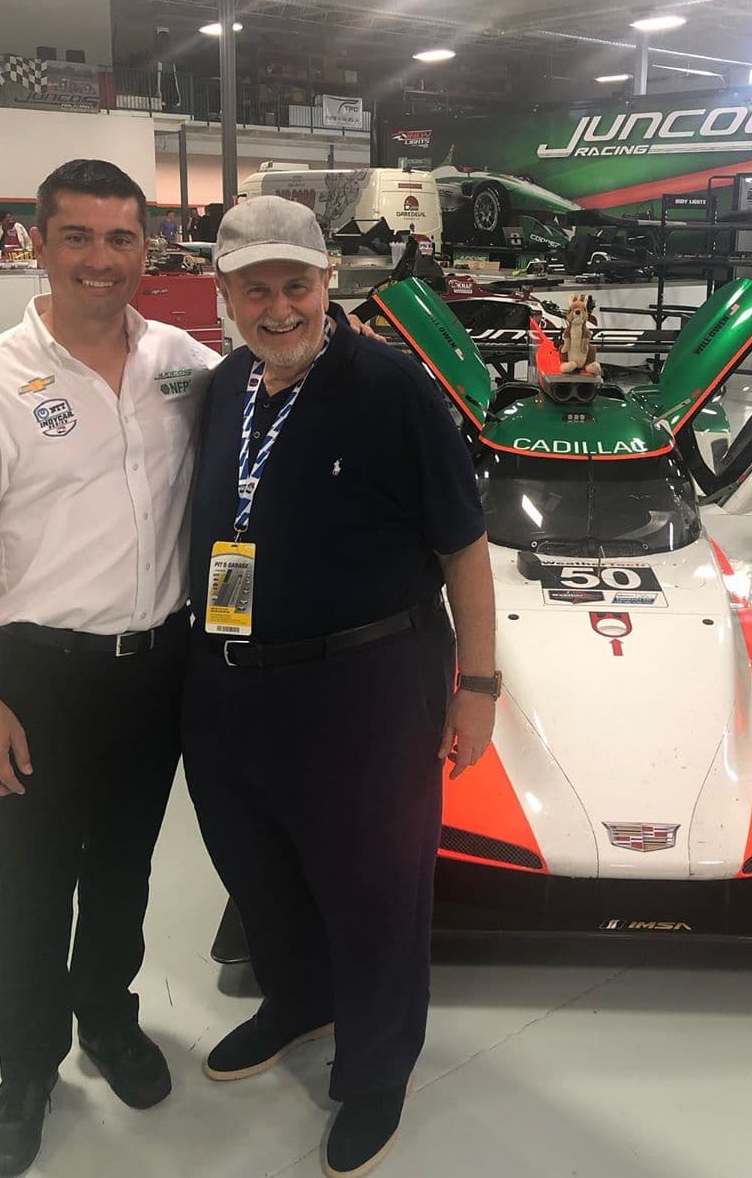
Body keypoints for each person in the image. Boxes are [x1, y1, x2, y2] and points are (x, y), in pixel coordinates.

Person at [0, 159, 223, 1177]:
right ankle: (26, 1064)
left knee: (124, 866)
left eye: (120, 239)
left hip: (157, 665)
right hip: (41, 672)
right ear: (38, 245)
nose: (100, 259)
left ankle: (108, 1019)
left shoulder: (183, 361)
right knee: (35, 878)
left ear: (146, 249)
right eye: (78, 238)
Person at [184, 196, 498, 1178]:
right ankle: (297, 1000)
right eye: (256, 290)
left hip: (365, 685)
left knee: (375, 890)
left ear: (330, 283)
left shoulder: (392, 389)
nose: (279, 309)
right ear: (225, 294)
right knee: (258, 863)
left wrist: (478, 683)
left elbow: (464, 544)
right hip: (233, 681)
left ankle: (375, 1070)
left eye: (298, 285)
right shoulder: (227, 385)